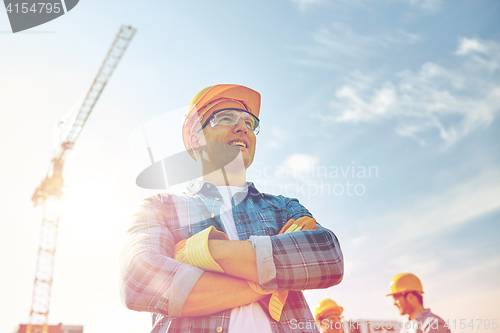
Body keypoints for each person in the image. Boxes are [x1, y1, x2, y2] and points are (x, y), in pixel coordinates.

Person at [121, 84, 344, 333]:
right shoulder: (161, 208)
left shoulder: (283, 206)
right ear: (196, 140)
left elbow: (328, 256)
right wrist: (275, 278)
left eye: (250, 123)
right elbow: (139, 281)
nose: (242, 127)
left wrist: (203, 251)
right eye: (226, 117)